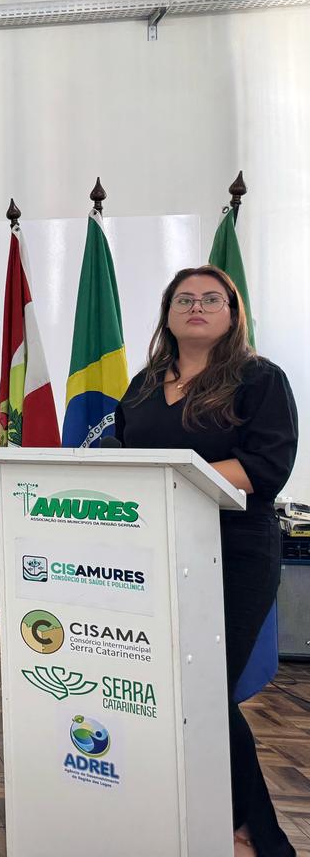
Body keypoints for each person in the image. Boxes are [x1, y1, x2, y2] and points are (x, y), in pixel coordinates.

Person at [115, 265, 297, 857]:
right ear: (167, 313)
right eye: (184, 298)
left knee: (204, 688)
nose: (197, 306)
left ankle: (253, 833)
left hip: (235, 551)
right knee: (168, 687)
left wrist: (170, 482)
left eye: (211, 298)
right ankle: (190, 814)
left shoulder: (259, 379)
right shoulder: (143, 384)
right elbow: (125, 457)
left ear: (232, 312)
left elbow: (266, 466)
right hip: (157, 545)